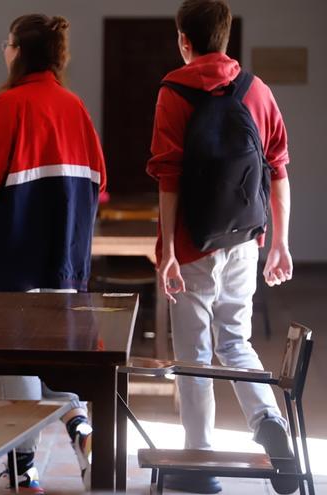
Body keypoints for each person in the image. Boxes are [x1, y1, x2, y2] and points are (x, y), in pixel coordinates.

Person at [0, 14, 106, 493]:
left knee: (16, 365)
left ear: (18, 50)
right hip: (64, 262)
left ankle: (25, 473)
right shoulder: (74, 107)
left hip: (11, 260)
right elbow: (101, 182)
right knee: (48, 360)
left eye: (7, 44)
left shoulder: (9, 105)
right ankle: (78, 423)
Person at [148, 1, 295, 493]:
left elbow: (168, 176)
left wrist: (167, 249)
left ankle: (200, 463)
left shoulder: (174, 91)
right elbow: (278, 171)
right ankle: (266, 419)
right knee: (236, 340)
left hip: (193, 244)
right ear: (226, 38)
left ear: (183, 40)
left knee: (194, 352)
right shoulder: (258, 90)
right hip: (245, 239)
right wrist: (280, 244)